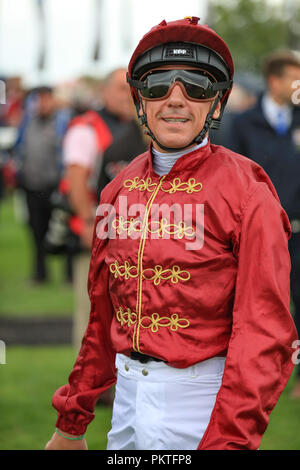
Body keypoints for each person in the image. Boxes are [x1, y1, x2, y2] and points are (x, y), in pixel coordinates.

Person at [46, 17, 298, 451]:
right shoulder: (117, 187)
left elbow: (265, 333)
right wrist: (72, 420)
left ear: (216, 105)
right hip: (125, 401)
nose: (175, 100)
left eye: (197, 87)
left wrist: (229, 440)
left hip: (201, 407)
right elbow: (103, 316)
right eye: (158, 85)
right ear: (139, 100)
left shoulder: (248, 192)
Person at [227, 50, 300, 398]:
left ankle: (298, 379)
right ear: (275, 81)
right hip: (258, 235)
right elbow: (234, 178)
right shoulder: (242, 123)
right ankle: (254, 375)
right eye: (294, 78)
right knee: (255, 307)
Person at [61, 68, 134, 354]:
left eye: (131, 87)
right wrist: (88, 223)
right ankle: (91, 387)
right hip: (99, 233)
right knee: (93, 311)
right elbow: (76, 179)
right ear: (103, 91)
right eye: (119, 87)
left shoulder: (142, 126)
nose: (127, 94)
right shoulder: (87, 127)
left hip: (133, 237)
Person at [15, 86, 71, 283]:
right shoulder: (28, 122)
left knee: (64, 231)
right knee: (36, 231)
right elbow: (19, 148)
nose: (43, 103)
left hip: (56, 187)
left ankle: (69, 276)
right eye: (39, 99)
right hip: (32, 186)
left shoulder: (63, 122)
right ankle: (40, 275)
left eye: (46, 99)